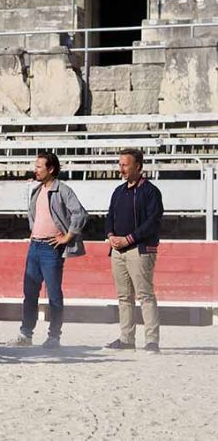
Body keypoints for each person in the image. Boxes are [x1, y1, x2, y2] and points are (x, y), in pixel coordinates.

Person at [7, 152, 88, 349]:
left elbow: (80, 214)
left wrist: (68, 236)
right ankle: (26, 334)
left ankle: (54, 337)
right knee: (30, 292)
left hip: (51, 248)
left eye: (39, 167)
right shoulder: (37, 190)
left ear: (50, 169)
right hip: (35, 245)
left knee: (54, 294)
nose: (35, 170)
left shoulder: (63, 190)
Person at [104, 148, 163, 354]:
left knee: (145, 295)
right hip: (118, 250)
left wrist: (129, 238)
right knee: (124, 296)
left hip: (140, 249)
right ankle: (127, 338)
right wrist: (111, 235)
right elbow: (109, 216)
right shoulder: (118, 191)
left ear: (138, 166)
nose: (121, 169)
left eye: (125, 165)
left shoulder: (150, 191)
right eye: (120, 164)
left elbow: (152, 222)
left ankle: (152, 341)